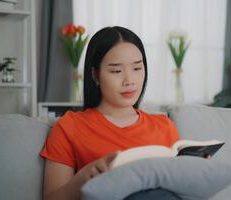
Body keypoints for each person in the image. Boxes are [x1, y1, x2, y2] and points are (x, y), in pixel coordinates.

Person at [40, 26, 181, 200]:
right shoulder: (69, 126)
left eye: (137, 68)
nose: (129, 81)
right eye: (116, 71)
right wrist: (85, 177)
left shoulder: (164, 126)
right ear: (95, 75)